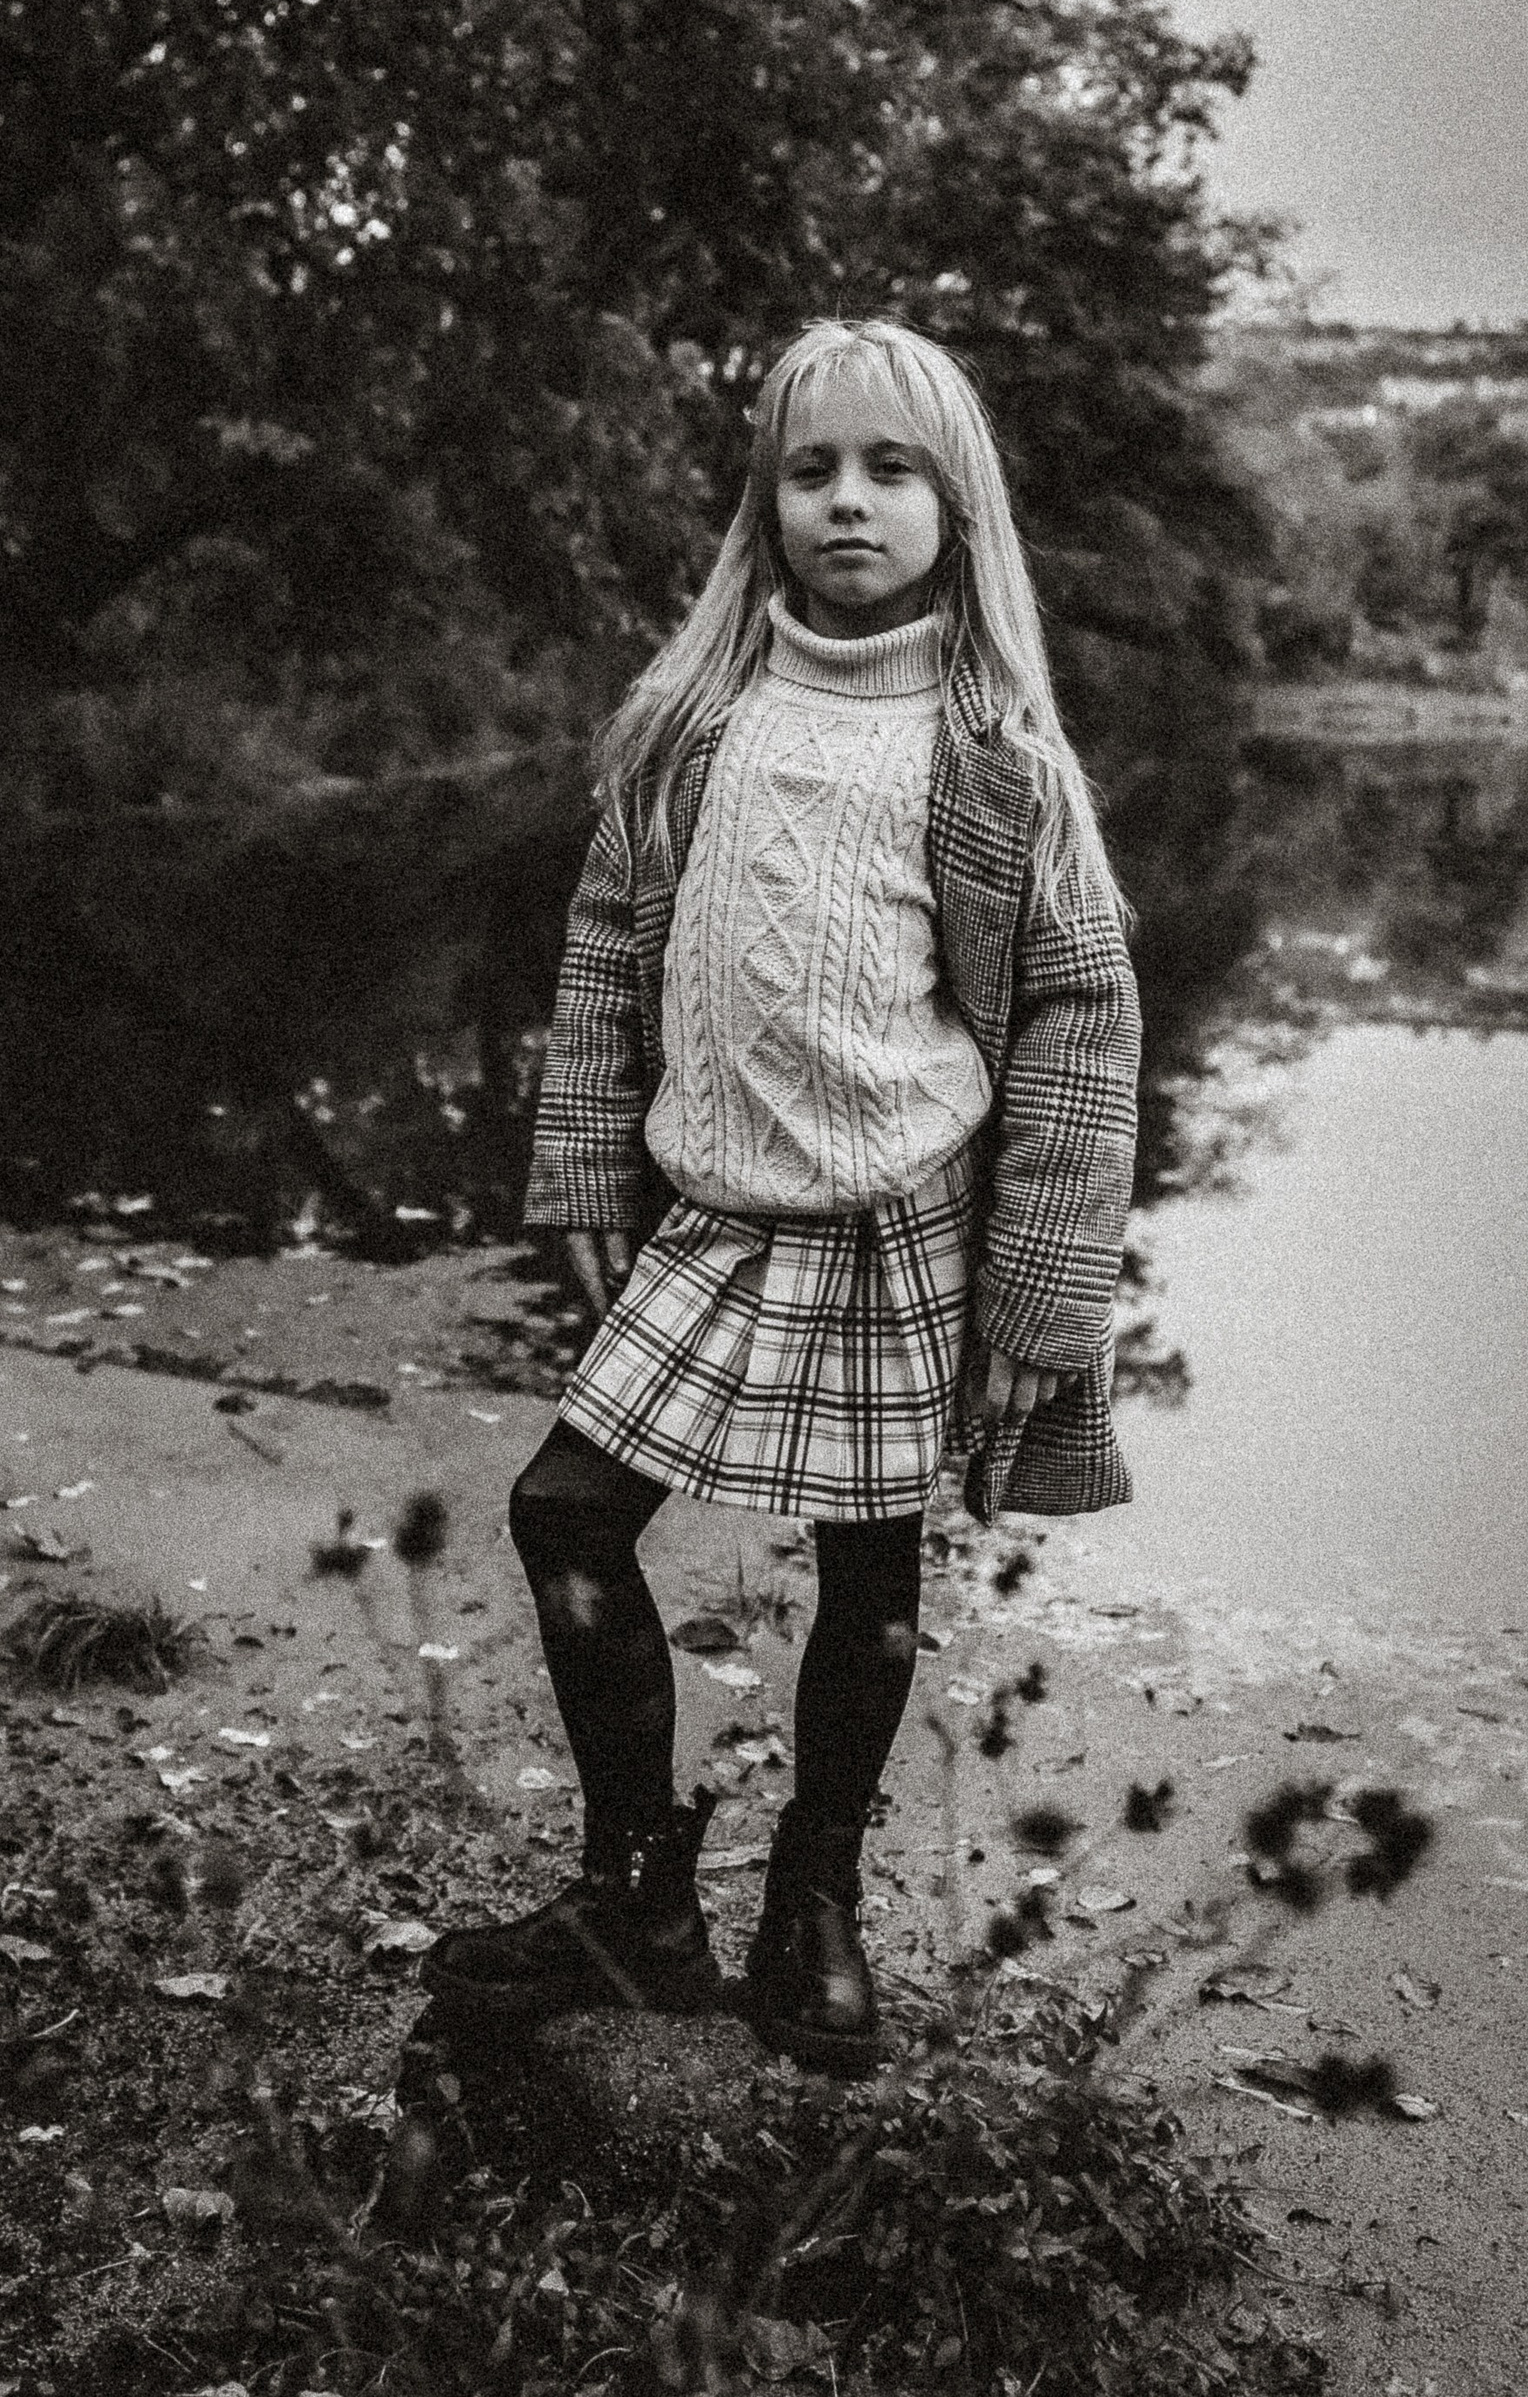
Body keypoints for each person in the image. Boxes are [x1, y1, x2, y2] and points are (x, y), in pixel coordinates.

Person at [423, 315, 1140, 2072]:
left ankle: (812, 1899)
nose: (849, 501)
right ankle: (636, 1899)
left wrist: (1047, 1292)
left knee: (869, 1586)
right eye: (812, 468)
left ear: (958, 510)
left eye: (893, 470)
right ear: (766, 504)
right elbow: (609, 947)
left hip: (901, 1226)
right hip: (720, 1216)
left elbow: (1082, 1015)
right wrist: (585, 1152)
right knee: (566, 1514)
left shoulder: (997, 756)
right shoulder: (690, 724)